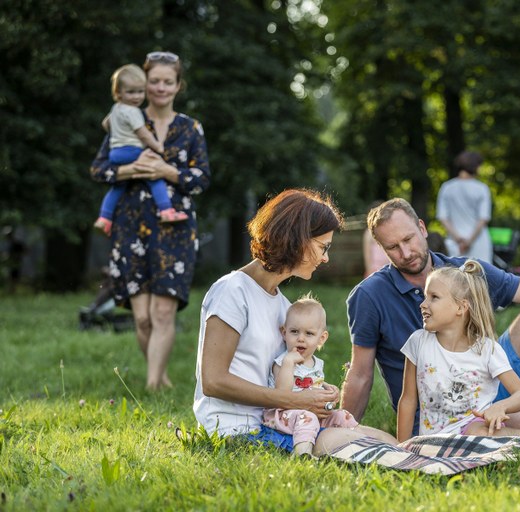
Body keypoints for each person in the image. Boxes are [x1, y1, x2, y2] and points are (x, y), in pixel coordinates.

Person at [342, 198, 520, 434]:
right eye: (393, 247)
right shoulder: (370, 295)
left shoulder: (465, 271)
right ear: (381, 249)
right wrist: (344, 429)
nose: (406, 253)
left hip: (483, 384)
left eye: (409, 239)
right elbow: (360, 374)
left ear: (422, 229)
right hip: (434, 410)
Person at [194, 189, 397, 456]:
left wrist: (315, 392)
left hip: (279, 424)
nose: (325, 258)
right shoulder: (233, 291)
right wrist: (295, 400)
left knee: (380, 438)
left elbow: (280, 376)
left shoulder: (284, 308)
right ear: (298, 239)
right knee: (360, 444)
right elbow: (213, 381)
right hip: (235, 431)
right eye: (323, 247)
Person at [90, 51, 211, 390]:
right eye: (153, 81)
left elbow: (201, 179)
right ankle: (160, 379)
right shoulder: (125, 117)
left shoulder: (190, 129)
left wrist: (166, 170)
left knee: (162, 314)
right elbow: (99, 169)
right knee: (142, 319)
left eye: (167, 82)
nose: (160, 88)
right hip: (129, 228)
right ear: (143, 84)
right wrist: (130, 170)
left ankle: (151, 386)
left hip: (175, 229)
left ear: (177, 85)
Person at [397, 260, 520, 444]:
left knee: (478, 433)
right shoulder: (418, 343)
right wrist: (402, 448)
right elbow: (407, 400)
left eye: (434, 297)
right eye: (424, 296)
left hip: (473, 431)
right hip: (434, 442)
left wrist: (499, 407)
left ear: (461, 307)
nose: (423, 304)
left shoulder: (487, 349)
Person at [93, 64, 188, 236]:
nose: (136, 97)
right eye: (131, 92)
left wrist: (117, 135)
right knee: (155, 178)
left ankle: (104, 219)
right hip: (131, 150)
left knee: (117, 188)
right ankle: (166, 211)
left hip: (116, 152)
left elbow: (105, 124)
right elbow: (143, 134)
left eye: (139, 92)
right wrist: (157, 146)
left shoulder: (116, 108)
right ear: (118, 93)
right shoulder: (133, 111)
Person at [262, 296, 361, 456]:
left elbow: (313, 385)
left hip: (310, 414)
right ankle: (302, 454)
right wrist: (289, 363)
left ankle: (360, 444)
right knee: (307, 418)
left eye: (309, 333)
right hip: (282, 416)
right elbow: (282, 394)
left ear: (321, 338)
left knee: (342, 415)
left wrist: (327, 390)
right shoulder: (282, 362)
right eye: (294, 332)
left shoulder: (316, 363)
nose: (300, 338)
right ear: (284, 332)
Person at [436, 151, 493, 262]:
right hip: (478, 243)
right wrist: (469, 242)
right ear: (475, 166)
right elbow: (483, 218)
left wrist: (458, 239)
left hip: (454, 243)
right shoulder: (481, 188)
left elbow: (443, 217)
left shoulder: (447, 187)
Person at [362, 201, 389, 278]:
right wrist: (369, 270)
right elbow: (367, 254)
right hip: (375, 269)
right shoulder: (369, 233)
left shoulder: (389, 231)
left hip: (388, 267)